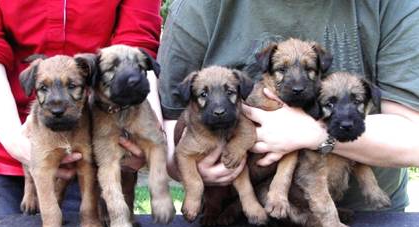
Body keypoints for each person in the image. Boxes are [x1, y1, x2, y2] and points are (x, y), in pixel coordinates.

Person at [155, 0, 419, 211]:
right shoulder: (198, 5)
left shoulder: (394, 5)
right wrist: (188, 168)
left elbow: (413, 137)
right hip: (227, 215)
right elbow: (170, 122)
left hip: (363, 218)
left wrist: (313, 134)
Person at [0, 0, 162, 219]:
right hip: (6, 147)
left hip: (95, 145)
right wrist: (12, 140)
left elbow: (136, 51)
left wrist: (147, 131)